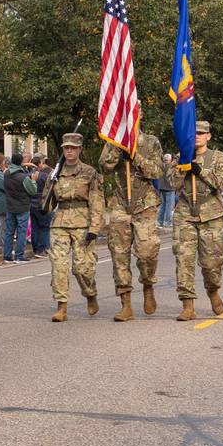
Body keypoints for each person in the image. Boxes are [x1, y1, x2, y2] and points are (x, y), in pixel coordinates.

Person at [165, 120, 223, 320]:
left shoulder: (217, 157)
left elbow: (221, 184)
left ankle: (213, 291)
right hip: (185, 212)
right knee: (184, 259)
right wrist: (184, 166)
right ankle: (187, 304)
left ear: (208, 136)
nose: (197, 136)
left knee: (212, 263)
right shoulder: (180, 157)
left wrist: (200, 171)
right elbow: (172, 183)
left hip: (211, 213)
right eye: (194, 133)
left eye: (201, 133)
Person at [99, 130, 164, 321]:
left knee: (147, 252)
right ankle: (125, 304)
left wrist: (135, 156)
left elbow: (158, 171)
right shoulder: (114, 142)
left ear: (140, 114)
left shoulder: (151, 141)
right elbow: (104, 166)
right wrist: (119, 150)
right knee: (119, 255)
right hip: (120, 204)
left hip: (145, 203)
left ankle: (148, 284)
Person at [46, 134, 103, 322]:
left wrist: (95, 227)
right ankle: (61, 306)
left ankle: (90, 293)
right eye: (66, 148)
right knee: (59, 266)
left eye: (73, 147)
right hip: (60, 222)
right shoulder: (56, 173)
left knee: (82, 268)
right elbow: (47, 205)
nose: (69, 151)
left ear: (80, 149)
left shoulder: (89, 172)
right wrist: (49, 185)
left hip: (82, 223)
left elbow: (96, 202)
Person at [0, 152, 38, 263]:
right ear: (21, 162)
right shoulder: (23, 177)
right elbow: (33, 191)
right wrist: (34, 181)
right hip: (22, 206)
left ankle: (7, 255)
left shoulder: (6, 174)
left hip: (10, 205)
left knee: (9, 231)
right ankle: (19, 255)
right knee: (22, 231)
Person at [31, 155, 54, 257]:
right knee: (44, 227)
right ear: (40, 164)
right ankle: (42, 249)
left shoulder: (29, 176)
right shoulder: (44, 176)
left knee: (35, 227)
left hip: (31, 203)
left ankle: (35, 248)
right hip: (42, 203)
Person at [157, 153, 178, 227]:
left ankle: (160, 221)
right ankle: (167, 222)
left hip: (161, 188)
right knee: (169, 206)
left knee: (163, 205)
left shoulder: (161, 166)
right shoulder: (170, 166)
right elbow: (175, 162)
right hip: (169, 188)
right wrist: (175, 158)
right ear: (170, 160)